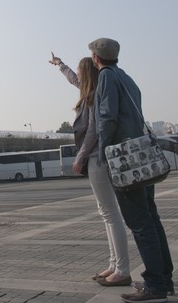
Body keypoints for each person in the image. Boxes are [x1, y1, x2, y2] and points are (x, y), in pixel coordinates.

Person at [89, 37, 174, 303]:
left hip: (125, 160)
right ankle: (165, 279)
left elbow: (107, 117)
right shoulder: (125, 77)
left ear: (96, 58)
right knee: (151, 219)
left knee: (140, 223)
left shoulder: (106, 77)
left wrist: (104, 151)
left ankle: (155, 286)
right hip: (142, 156)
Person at [50, 53, 131, 286]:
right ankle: (114, 264)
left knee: (110, 214)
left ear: (86, 73)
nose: (76, 73)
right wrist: (60, 65)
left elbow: (93, 132)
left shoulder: (94, 96)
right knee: (107, 212)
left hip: (97, 159)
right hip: (97, 159)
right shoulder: (90, 91)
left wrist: (80, 157)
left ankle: (122, 269)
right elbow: (73, 79)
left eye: (79, 69)